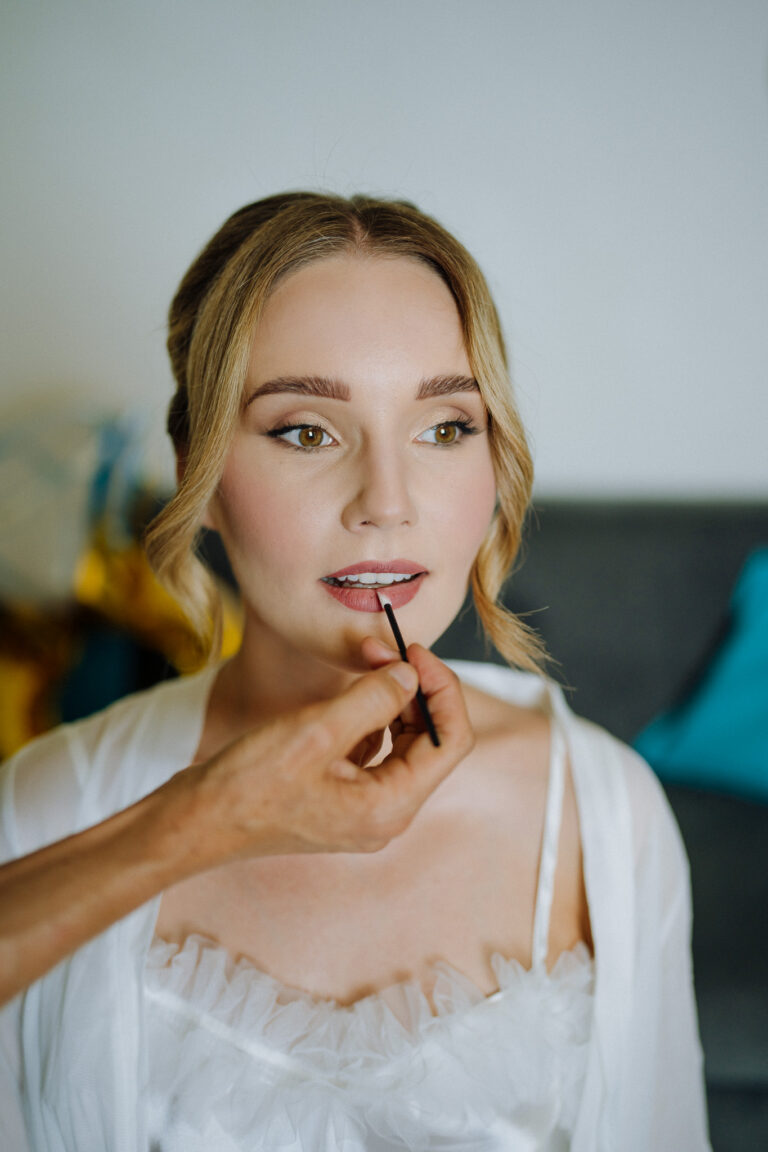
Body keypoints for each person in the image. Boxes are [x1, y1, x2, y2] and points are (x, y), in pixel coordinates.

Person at [0, 192, 711, 1150]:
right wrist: (199, 821)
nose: (387, 502)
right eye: (306, 430)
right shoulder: (51, 805)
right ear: (196, 475)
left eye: (445, 427)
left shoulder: (608, 814)